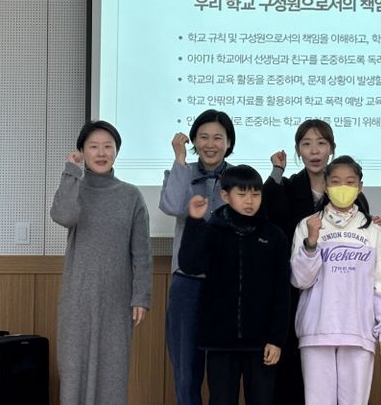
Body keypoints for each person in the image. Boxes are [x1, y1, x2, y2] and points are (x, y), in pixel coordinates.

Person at [263, 119, 380, 404]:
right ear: (297, 151)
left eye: (321, 143)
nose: (314, 151)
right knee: (290, 372)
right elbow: (268, 217)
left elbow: (361, 229)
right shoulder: (287, 187)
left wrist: (371, 226)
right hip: (295, 292)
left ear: (331, 148)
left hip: (340, 301)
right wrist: (276, 171)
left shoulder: (352, 194)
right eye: (306, 144)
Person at [51, 120, 151, 405]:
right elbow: (63, 216)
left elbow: (141, 253)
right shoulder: (75, 187)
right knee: (74, 372)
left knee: (112, 374)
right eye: (93, 146)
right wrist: (71, 171)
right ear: (82, 151)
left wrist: (141, 297)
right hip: (77, 299)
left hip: (117, 302)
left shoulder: (131, 195)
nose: (101, 153)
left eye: (108, 146)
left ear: (116, 151)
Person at [291, 155, 381, 405]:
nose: (343, 187)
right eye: (336, 181)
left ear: (360, 187)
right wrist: (311, 242)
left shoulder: (373, 231)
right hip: (317, 330)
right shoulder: (308, 226)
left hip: (358, 331)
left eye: (350, 182)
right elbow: (300, 280)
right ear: (326, 186)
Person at [178, 164, 290, 405]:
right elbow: (190, 265)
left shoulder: (274, 236)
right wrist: (195, 222)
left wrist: (277, 339)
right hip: (220, 341)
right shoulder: (212, 231)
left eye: (256, 194)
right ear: (225, 195)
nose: (250, 201)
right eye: (242, 194)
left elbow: (282, 292)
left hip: (261, 343)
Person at [159, 109, 236, 405]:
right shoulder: (181, 171)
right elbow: (172, 206)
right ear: (193, 141)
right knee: (186, 370)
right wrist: (179, 160)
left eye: (218, 137)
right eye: (203, 137)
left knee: (224, 371)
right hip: (187, 281)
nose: (210, 144)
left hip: (226, 282)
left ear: (229, 142)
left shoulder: (239, 177)